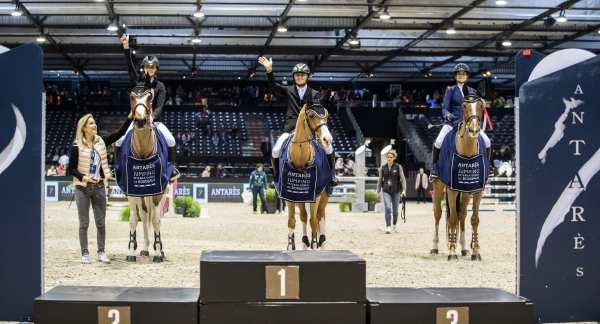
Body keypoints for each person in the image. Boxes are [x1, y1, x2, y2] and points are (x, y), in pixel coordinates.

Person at [258, 57, 338, 188]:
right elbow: (273, 86)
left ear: (306, 77)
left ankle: (332, 176)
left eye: (302, 75)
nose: (299, 77)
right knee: (276, 150)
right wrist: (269, 70)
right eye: (297, 75)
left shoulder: (313, 93)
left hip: (309, 129)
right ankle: (277, 177)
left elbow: (318, 111)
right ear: (294, 77)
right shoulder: (288, 90)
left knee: (328, 147)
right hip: (290, 127)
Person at [67, 112, 133, 264]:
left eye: (95, 122)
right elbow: (70, 168)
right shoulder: (76, 146)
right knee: (84, 222)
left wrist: (130, 117)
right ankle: (85, 254)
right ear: (84, 128)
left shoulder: (101, 141)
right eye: (91, 123)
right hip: (82, 187)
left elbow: (120, 133)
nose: (94, 125)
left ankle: (101, 252)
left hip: (99, 187)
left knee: (101, 222)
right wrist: (83, 177)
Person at [118, 34, 179, 180]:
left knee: (171, 141)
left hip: (154, 121)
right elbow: (128, 66)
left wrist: (152, 117)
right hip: (136, 120)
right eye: (147, 67)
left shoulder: (160, 86)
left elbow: (160, 105)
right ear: (143, 68)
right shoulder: (137, 83)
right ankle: (118, 169)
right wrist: (126, 46)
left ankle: (171, 169)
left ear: (155, 69)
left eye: (152, 67)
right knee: (118, 141)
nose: (149, 69)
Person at [431, 63, 491, 178]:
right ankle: (435, 168)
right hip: (453, 122)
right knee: (438, 142)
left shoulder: (473, 91)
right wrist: (448, 115)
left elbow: (477, 106)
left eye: (463, 74)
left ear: (467, 76)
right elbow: (445, 108)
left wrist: (482, 103)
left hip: (469, 123)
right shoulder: (451, 91)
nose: (461, 76)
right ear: (456, 76)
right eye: (459, 74)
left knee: (487, 141)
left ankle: (488, 167)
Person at [376, 150, 406, 234]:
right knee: (388, 208)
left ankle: (394, 225)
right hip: (386, 191)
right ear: (386, 157)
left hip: (396, 191)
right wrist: (378, 192)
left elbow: (403, 179)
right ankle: (388, 226)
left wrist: (404, 190)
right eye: (388, 157)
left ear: (394, 158)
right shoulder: (383, 168)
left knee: (395, 211)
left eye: (391, 157)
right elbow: (379, 180)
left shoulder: (398, 167)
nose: (389, 159)